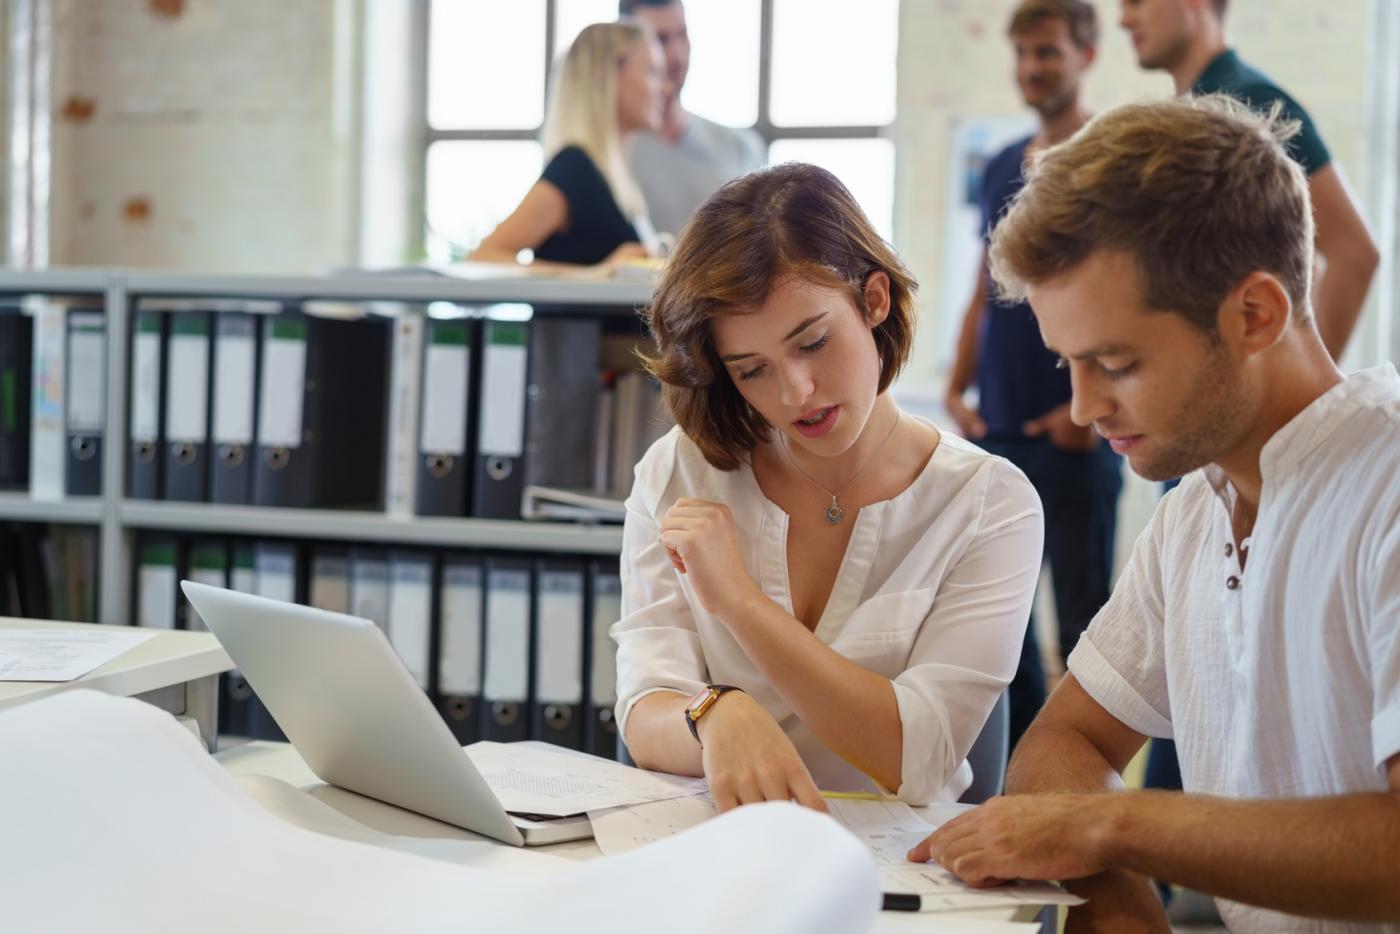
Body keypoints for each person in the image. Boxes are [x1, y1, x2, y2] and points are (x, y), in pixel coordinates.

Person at [906, 95, 1400, 933]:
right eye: (1068, 362)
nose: (1084, 404)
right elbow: (1064, 744)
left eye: (1115, 362)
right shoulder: (1193, 514)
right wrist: (1125, 907)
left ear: (1255, 315)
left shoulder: (1383, 487)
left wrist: (1109, 823)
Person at [614, 164, 1044, 810]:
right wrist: (715, 716)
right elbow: (645, 710)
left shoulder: (990, 504)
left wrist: (739, 602)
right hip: (715, 853)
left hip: (902, 881)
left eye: (812, 342)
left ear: (874, 301)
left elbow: (917, 757)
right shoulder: (679, 473)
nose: (793, 394)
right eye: (751, 370)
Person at [944, 0, 1122, 751]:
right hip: (1000, 431)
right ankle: (1019, 794)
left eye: (1047, 52)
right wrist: (957, 385)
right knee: (1003, 636)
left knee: (1088, 631)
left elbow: (1125, 290)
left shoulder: (1110, 158)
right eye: (1023, 54)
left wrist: (1091, 409)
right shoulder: (997, 165)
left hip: (1078, 434)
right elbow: (987, 285)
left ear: (1085, 54)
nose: (1033, 69)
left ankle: (1081, 801)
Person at [1120, 0, 1379, 361]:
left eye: (1136, 2)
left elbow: (1354, 252)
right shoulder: (1191, 111)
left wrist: (1304, 405)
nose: (1123, 18)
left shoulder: (1248, 100)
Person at [470, 21, 665, 269]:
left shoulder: (612, 176)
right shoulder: (575, 168)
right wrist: (598, 276)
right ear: (606, 75)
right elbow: (484, 257)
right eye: (652, 72)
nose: (664, 88)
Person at [619, 0, 766, 238]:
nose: (676, 54)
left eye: (682, 35)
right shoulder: (608, 155)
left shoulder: (741, 148)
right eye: (660, 39)